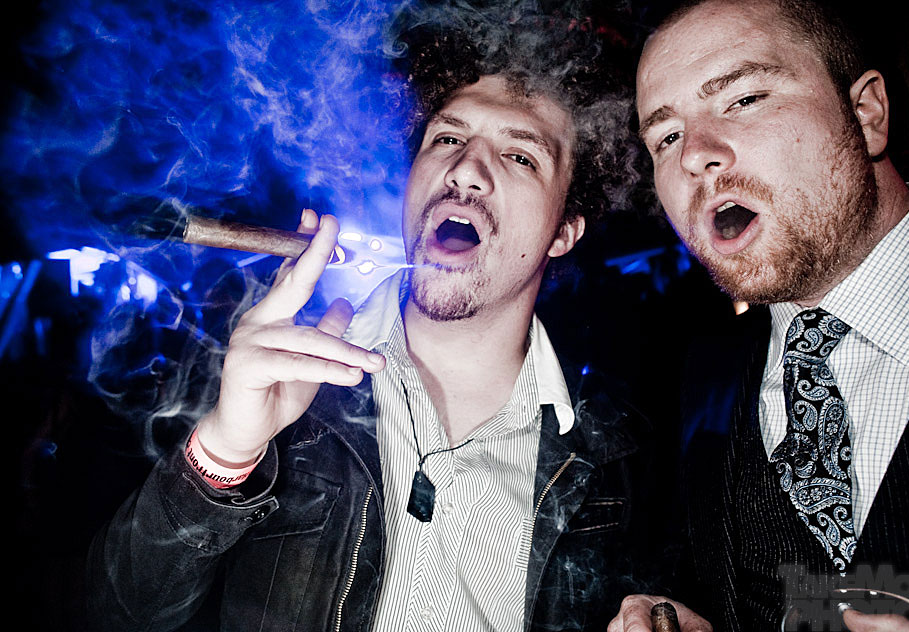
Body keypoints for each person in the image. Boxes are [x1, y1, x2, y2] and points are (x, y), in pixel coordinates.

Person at [86, 16, 667, 632]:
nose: (467, 169)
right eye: (447, 138)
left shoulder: (617, 453)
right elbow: (113, 613)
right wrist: (225, 453)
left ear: (564, 232)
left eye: (520, 156)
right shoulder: (274, 375)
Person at [610, 0, 909, 630]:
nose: (693, 156)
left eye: (742, 99)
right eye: (666, 137)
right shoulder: (702, 372)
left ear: (867, 114)